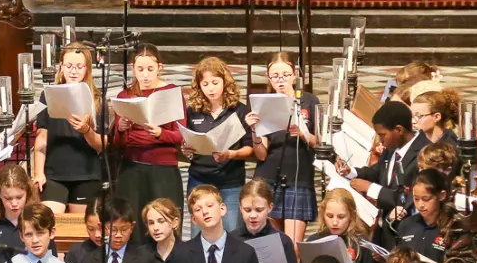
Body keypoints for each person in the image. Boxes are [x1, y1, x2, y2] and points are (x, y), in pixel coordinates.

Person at [181, 56, 260, 233]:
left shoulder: (239, 110)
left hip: (230, 180)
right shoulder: (193, 111)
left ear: (224, 82)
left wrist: (231, 154)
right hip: (199, 179)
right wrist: (186, 150)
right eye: (206, 84)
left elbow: (249, 148)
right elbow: (188, 143)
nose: (211, 88)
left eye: (215, 82)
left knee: (232, 230)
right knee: (198, 232)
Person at [254, 52, 324, 241]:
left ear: (294, 75)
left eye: (285, 74)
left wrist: (303, 133)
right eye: (275, 76)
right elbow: (261, 154)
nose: (280, 80)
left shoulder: (309, 101)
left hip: (297, 177)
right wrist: (254, 131)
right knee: (272, 245)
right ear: (269, 78)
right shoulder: (264, 103)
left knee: (293, 246)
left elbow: (320, 142)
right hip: (269, 175)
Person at [110, 43, 186, 213]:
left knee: (165, 218)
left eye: (150, 69)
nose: (145, 75)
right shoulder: (125, 95)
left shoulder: (171, 92)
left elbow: (181, 135)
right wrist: (121, 129)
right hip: (132, 167)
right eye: (140, 69)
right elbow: (118, 142)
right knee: (133, 222)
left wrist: (161, 133)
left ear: (160, 67)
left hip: (163, 168)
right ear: (132, 68)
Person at [36, 42, 106, 209]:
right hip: (54, 173)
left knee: (81, 226)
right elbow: (42, 136)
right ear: (61, 66)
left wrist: (86, 130)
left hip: (86, 174)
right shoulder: (48, 95)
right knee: (50, 220)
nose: (74, 71)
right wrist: (38, 172)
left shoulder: (96, 99)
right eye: (69, 66)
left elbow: (102, 144)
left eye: (79, 66)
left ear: (87, 68)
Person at [343, 99, 427, 214]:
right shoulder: (392, 147)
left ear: (399, 130)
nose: (381, 141)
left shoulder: (424, 154)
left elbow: (409, 198)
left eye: (383, 135)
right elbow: (378, 171)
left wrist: (371, 188)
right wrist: (350, 172)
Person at [0, 162, 39, 263]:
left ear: (27, 192)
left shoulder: (38, 221)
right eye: (8, 198)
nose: (14, 203)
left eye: (19, 197)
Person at [142, 196, 179, 263]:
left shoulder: (188, 253)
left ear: (174, 223)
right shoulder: (141, 255)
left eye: (161, 221)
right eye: (151, 223)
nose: (155, 228)